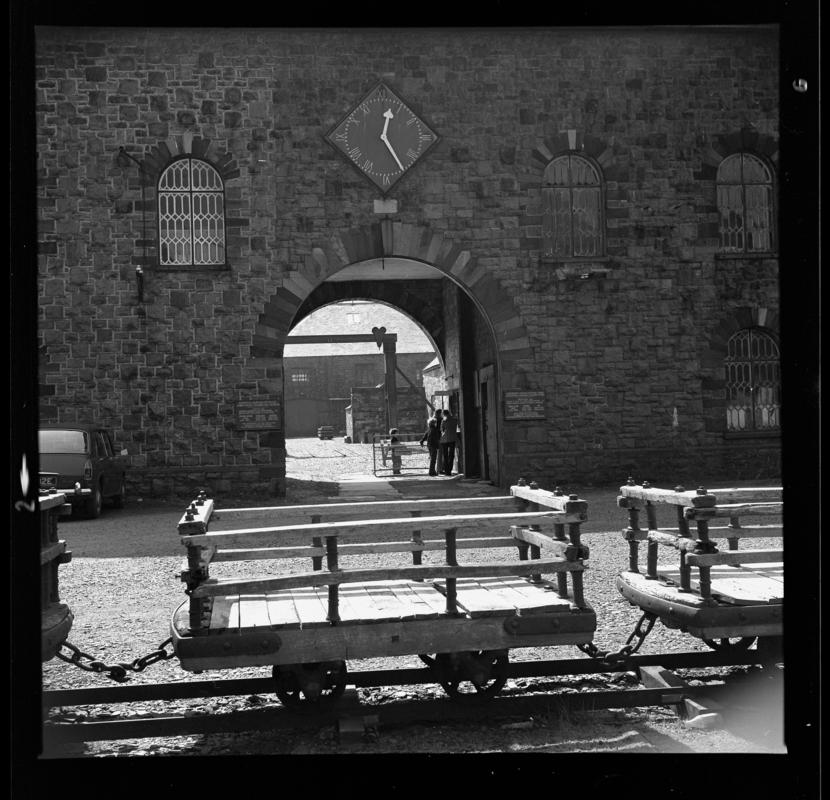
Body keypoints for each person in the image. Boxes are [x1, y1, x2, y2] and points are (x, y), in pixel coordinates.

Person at [419, 409, 442, 476]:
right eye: (435, 423)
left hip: (429, 445)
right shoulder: (434, 430)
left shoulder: (429, 429)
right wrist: (437, 445)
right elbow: (434, 438)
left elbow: (425, 436)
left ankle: (432, 471)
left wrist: (422, 441)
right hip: (433, 445)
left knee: (432, 458)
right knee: (433, 459)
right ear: (434, 423)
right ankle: (431, 472)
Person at [439, 408, 459, 476]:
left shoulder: (443, 421)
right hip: (452, 438)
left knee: (445, 455)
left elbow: (442, 429)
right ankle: (449, 470)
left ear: (444, 414)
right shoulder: (454, 420)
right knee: (451, 454)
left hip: (444, 439)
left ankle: (447, 470)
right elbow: (458, 427)